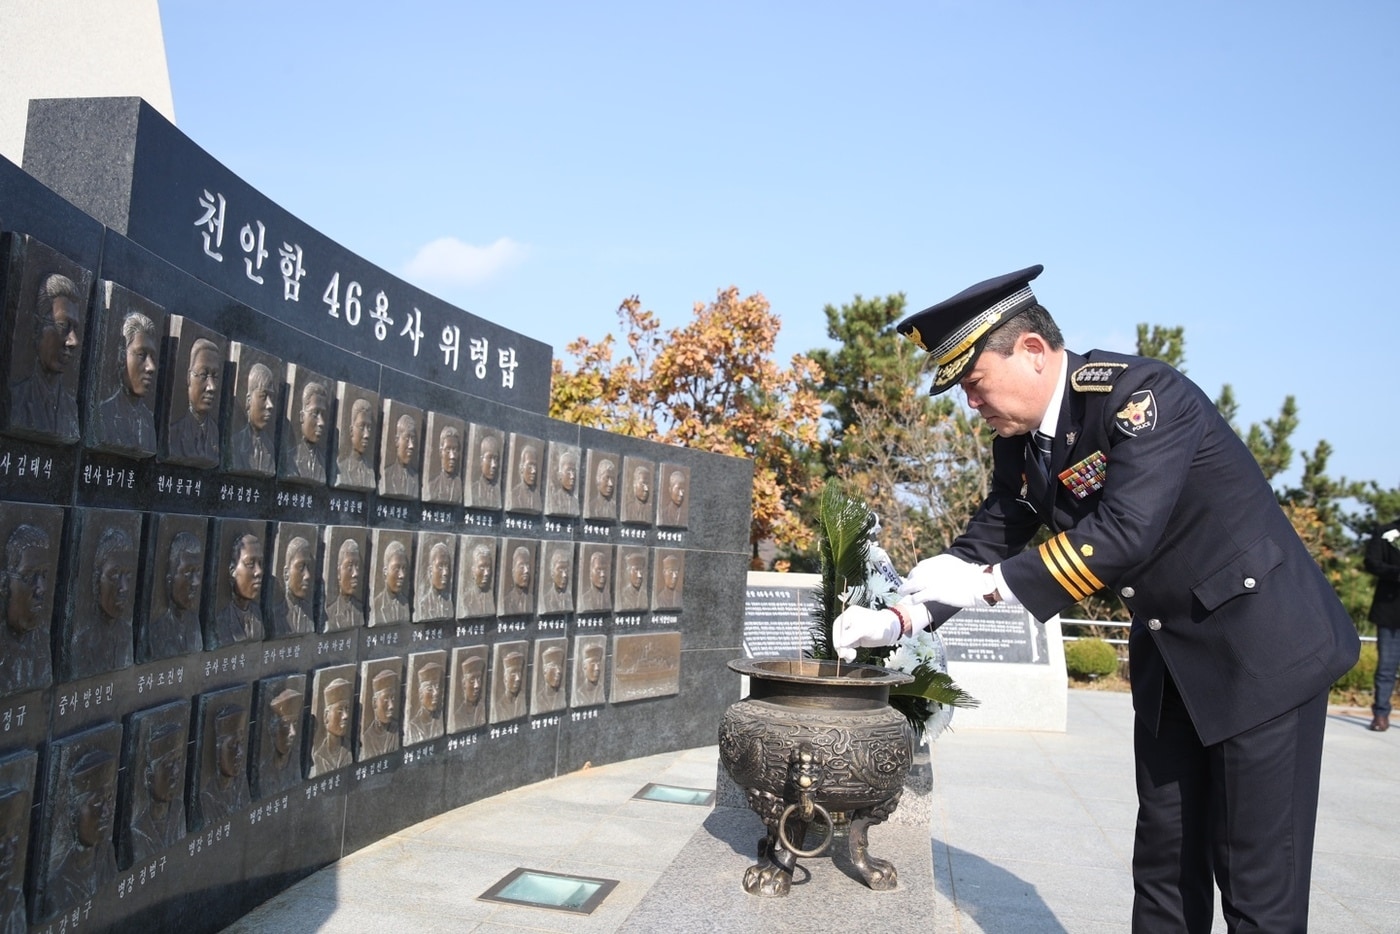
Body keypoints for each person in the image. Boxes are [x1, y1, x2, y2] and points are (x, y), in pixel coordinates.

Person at [833, 264, 1360, 933]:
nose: (971, 403)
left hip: (1262, 654)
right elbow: (988, 538)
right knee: (1165, 861)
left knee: (1257, 880)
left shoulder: (1142, 398)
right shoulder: (1023, 444)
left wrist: (992, 585)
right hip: (1175, 660)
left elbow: (1124, 534)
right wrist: (900, 615)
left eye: (973, 382)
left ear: (1029, 351)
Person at [9, 273, 82, 442]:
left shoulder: (71, 410)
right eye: (62, 325)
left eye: (75, 328)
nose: (73, 341)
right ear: (37, 327)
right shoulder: (16, 400)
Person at [69, 523, 136, 679]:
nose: (124, 587)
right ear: (96, 580)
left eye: (128, 576)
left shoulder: (127, 634)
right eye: (114, 575)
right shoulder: (82, 644)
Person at [1, 522, 54, 696]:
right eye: (30, 576)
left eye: (44, 575)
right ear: (5, 584)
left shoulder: (42, 644)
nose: (41, 588)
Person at [95, 310, 158, 454]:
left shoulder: (148, 421)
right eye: (141, 354)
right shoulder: (104, 414)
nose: (151, 367)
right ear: (122, 355)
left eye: (153, 357)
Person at [125, 721, 185, 864]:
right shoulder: (140, 830)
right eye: (168, 763)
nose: (176, 771)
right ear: (149, 777)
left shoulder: (179, 811)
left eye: (178, 762)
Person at [142, 530, 204, 661]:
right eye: (188, 572)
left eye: (198, 572)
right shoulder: (156, 632)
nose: (196, 582)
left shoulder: (196, 625)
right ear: (170, 578)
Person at [1364, 517, 1400, 731]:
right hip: (1390, 610)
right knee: (1386, 667)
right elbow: (1371, 562)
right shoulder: (1386, 532)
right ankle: (1380, 714)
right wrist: (1396, 573)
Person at [168, 337, 221, 466]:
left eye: (215, 376)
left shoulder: (216, 434)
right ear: (188, 377)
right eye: (203, 374)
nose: (211, 387)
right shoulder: (174, 433)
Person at [211, 532, 265, 648]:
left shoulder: (258, 615)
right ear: (232, 571)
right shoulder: (221, 621)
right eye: (250, 564)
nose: (259, 571)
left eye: (260, 564)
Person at [199, 704, 249, 824]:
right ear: (217, 750)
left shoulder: (242, 786)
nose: (239, 752)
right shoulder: (207, 798)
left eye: (241, 743)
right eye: (232, 745)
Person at [229, 362, 276, 474]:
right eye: (263, 396)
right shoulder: (235, 443)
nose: (270, 405)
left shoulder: (270, 447)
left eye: (271, 397)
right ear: (249, 400)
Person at [283, 380, 328, 483]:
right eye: (315, 414)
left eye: (323, 415)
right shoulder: (291, 459)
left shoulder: (323, 462)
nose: (321, 422)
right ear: (302, 416)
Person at [272, 535, 315, 637]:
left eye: (308, 567)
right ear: (286, 573)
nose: (307, 575)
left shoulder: (310, 612)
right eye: (300, 567)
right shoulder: (276, 614)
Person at [310, 676, 353, 775]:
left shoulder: (348, 748)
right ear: (326, 716)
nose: (346, 716)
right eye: (340, 710)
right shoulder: (319, 756)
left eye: (347, 709)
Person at [324, 537, 365, 631]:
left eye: (357, 566)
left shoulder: (360, 609)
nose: (355, 573)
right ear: (339, 572)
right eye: (350, 566)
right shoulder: (329, 613)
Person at [336, 397, 377, 489]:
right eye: (361, 427)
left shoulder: (370, 472)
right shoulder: (342, 468)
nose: (366, 435)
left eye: (369, 427)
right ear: (351, 430)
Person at [360, 668, 400, 759]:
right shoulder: (367, 737)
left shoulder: (396, 729)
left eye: (393, 699)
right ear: (374, 703)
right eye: (386, 699)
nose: (391, 706)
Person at [404, 660, 444, 745]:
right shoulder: (413, 726)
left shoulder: (439, 720)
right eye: (429, 689)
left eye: (437, 687)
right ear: (420, 693)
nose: (435, 693)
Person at [371, 539, 411, 625]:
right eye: (396, 568)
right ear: (385, 571)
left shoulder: (406, 604)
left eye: (404, 568)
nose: (402, 575)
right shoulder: (376, 604)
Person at [380, 413, 419, 498]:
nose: (411, 445)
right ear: (397, 440)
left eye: (413, 439)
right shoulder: (387, 474)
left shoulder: (415, 478)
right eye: (407, 438)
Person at [450, 650, 487, 732]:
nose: (477, 685)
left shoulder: (481, 709)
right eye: (472, 680)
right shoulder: (457, 715)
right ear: (464, 684)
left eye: (479, 679)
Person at [425, 424, 463, 503]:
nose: (452, 456)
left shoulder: (460, 486)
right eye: (448, 450)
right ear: (440, 452)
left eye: (455, 450)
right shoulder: (432, 486)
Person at [458, 541, 496, 619]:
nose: (486, 573)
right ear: (473, 570)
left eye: (488, 568)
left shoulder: (490, 599)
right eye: (482, 567)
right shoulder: (466, 600)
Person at [467, 429, 503, 509]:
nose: (494, 465)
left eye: (496, 459)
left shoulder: (498, 492)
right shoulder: (473, 489)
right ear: (481, 460)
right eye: (490, 458)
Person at [507, 439, 542, 513]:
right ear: (521, 468)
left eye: (535, 466)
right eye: (529, 466)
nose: (533, 471)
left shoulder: (538, 496)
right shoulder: (514, 494)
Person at [500, 545, 534, 616]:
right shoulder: (505, 602)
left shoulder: (532, 600)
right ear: (513, 571)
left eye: (527, 566)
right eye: (521, 566)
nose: (526, 570)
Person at [539, 546, 573, 615]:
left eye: (566, 570)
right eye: (560, 569)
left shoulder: (570, 598)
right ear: (552, 572)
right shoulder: (546, 599)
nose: (564, 575)